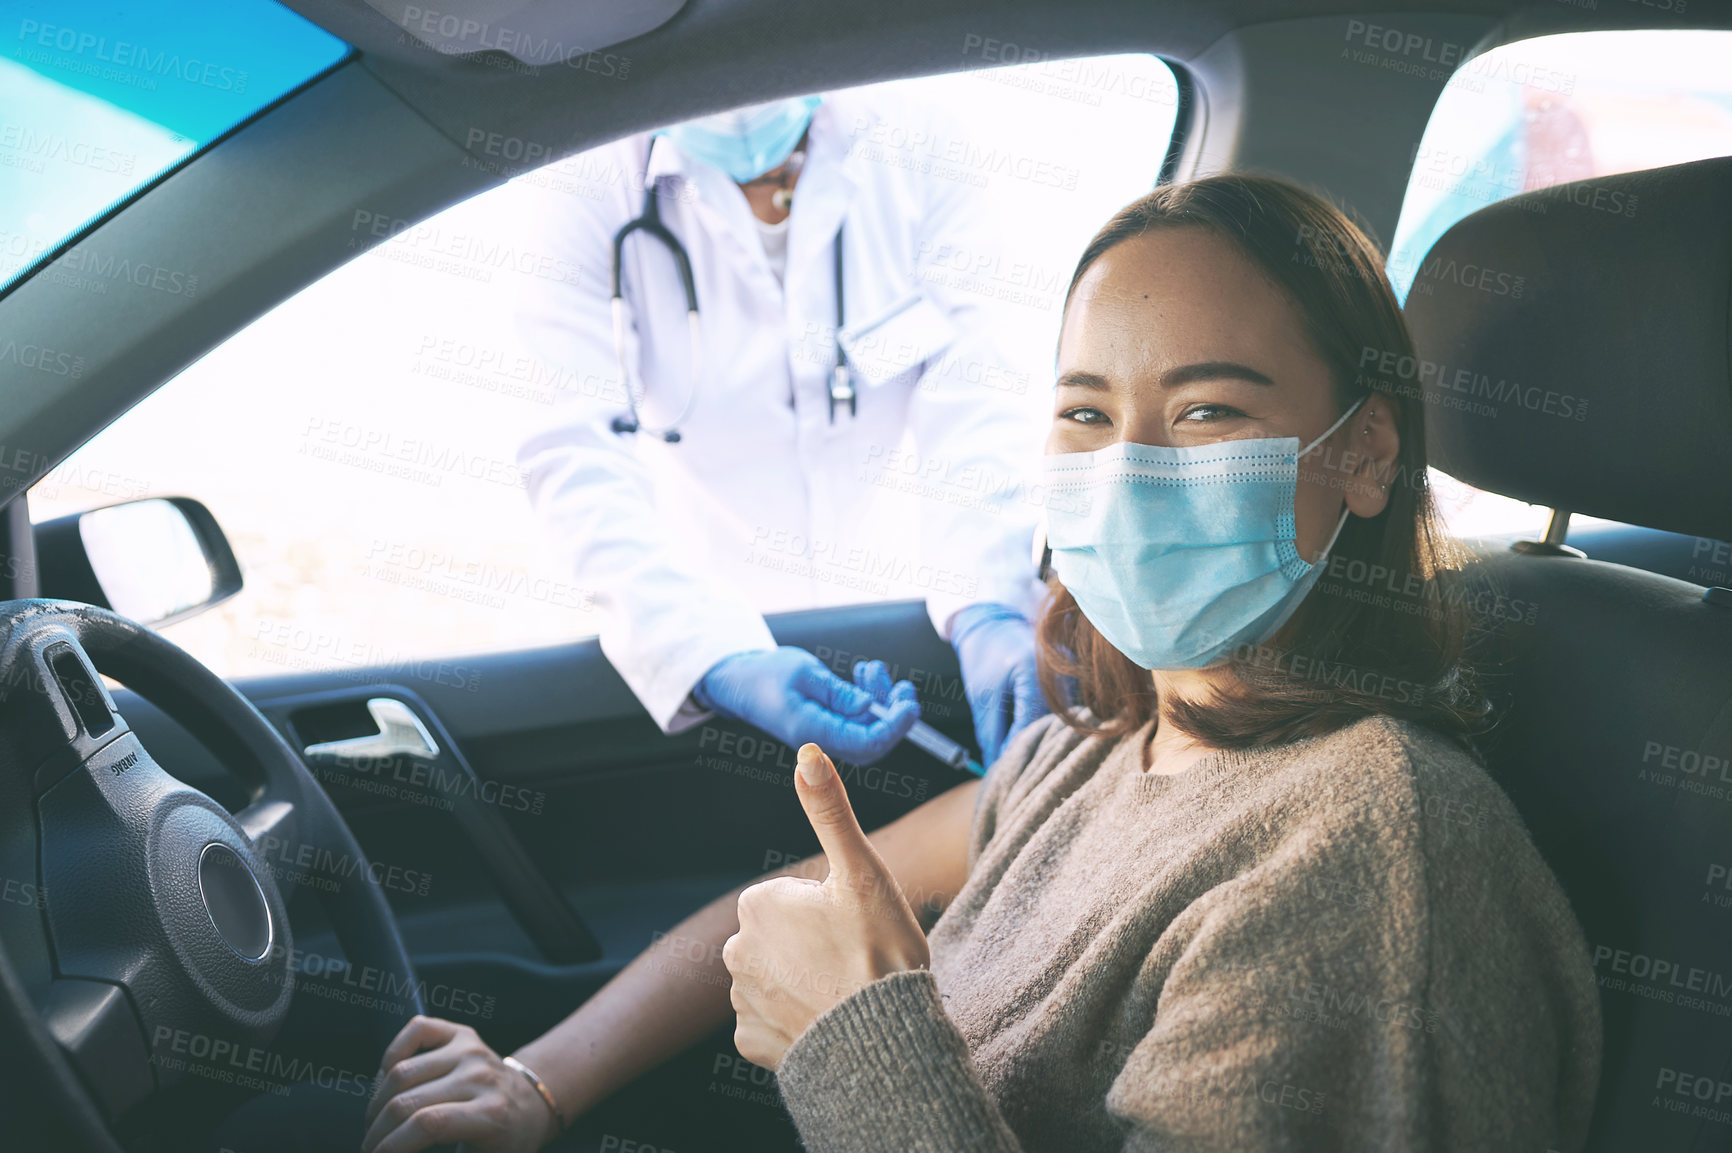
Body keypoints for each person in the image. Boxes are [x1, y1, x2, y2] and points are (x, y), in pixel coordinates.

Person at [363, 175, 1602, 1152]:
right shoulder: (1088, 753)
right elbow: (802, 902)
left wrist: (857, 1037)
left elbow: (848, 992)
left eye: (1210, 411)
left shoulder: (1370, 852)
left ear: (1367, 453)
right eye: (1085, 412)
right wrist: (537, 1082)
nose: (1126, 470)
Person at [514, 89, 1051, 771]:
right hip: (712, 622)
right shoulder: (585, 180)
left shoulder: (916, 130)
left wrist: (990, 602)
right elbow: (573, 453)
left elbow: (979, 389)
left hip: (903, 618)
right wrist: (713, 655)